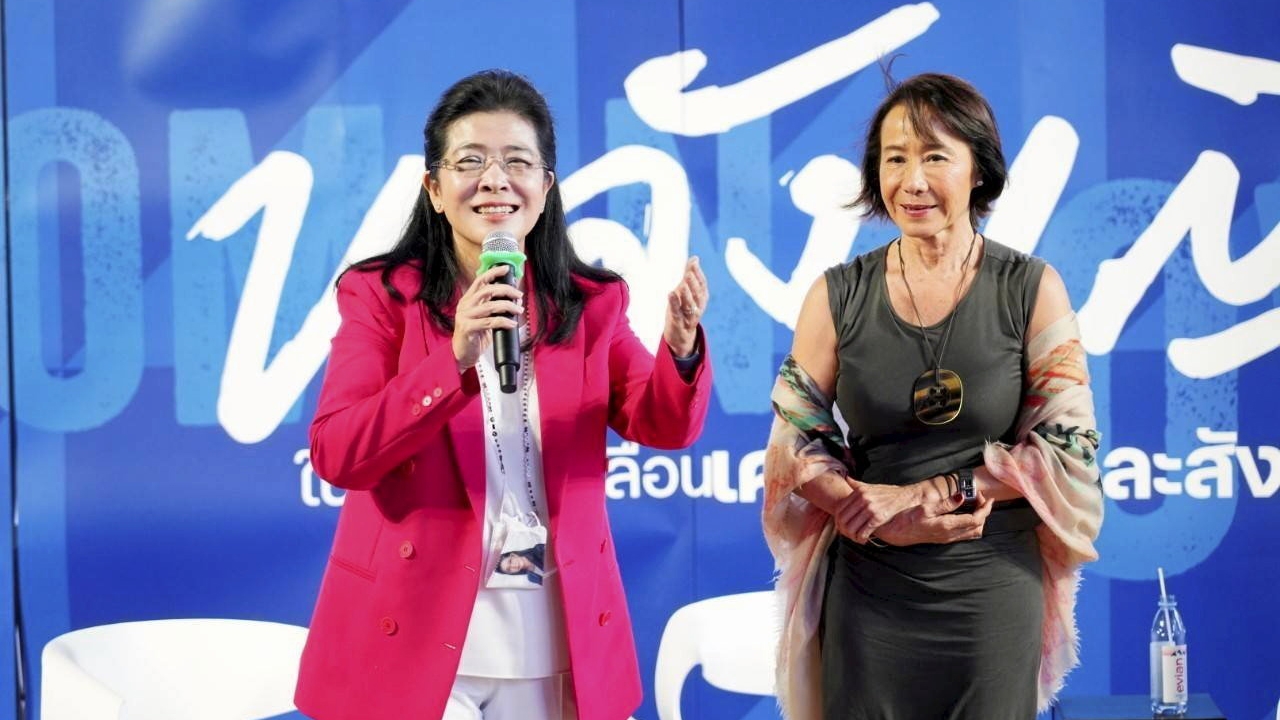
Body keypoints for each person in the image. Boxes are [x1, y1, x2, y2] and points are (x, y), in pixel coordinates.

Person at [295, 69, 712, 720]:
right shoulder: (380, 295)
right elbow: (338, 453)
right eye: (470, 162)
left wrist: (681, 350)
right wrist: (452, 360)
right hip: (414, 631)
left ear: (545, 188)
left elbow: (662, 423)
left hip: (554, 632)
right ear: (434, 189)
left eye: (517, 161)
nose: (494, 180)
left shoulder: (591, 303)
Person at [762, 72, 1104, 719]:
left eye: (935, 157)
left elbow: (1070, 447)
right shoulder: (836, 296)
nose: (912, 181)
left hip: (991, 595)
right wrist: (872, 511)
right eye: (895, 159)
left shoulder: (1031, 289)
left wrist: (932, 494)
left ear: (979, 169)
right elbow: (793, 440)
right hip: (870, 597)